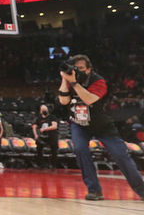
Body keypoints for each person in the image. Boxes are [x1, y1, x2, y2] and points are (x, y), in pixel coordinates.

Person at [57, 54, 144, 201]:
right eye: (75, 68)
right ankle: (95, 190)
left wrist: (75, 84)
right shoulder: (71, 80)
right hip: (79, 124)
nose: (77, 71)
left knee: (120, 155)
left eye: (81, 68)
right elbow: (64, 101)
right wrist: (65, 80)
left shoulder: (99, 81)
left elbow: (89, 99)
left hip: (102, 125)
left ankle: (141, 190)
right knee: (80, 150)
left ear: (89, 69)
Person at [32, 104, 59, 169]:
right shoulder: (38, 118)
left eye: (45, 109)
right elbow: (34, 127)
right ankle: (41, 164)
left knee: (54, 149)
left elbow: (54, 126)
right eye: (42, 109)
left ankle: (53, 165)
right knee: (39, 148)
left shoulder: (52, 117)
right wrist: (35, 135)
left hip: (51, 135)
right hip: (42, 136)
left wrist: (45, 129)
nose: (44, 110)